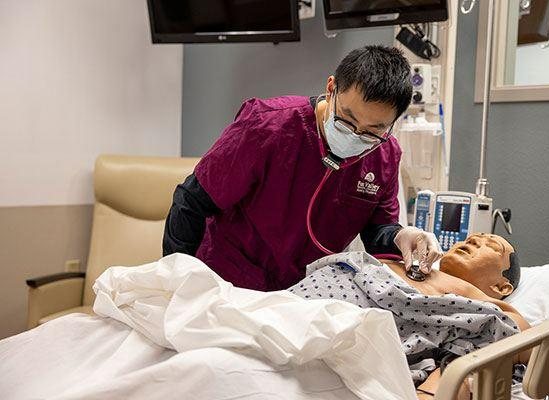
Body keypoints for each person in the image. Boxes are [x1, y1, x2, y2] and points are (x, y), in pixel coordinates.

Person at [162, 45, 442, 291]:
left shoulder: (385, 156)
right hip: (225, 281)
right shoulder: (266, 126)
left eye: (373, 130)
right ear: (331, 89)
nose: (356, 135)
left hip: (303, 294)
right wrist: (179, 284)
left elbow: (376, 232)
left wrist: (402, 236)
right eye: (347, 120)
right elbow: (191, 202)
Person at [288, 233, 530, 400]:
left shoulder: (492, 309)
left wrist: (433, 390)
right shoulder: (407, 262)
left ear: (502, 287)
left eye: (491, 245)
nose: (473, 240)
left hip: (340, 329)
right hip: (296, 303)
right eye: (470, 238)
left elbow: (519, 341)